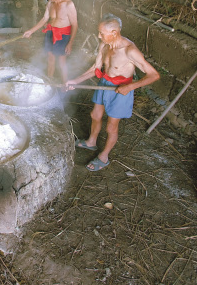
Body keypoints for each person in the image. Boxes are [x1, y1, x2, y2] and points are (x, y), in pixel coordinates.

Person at [66, 14, 160, 172]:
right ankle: (91, 141)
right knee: (95, 115)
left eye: (102, 33)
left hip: (120, 91)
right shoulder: (105, 45)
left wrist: (130, 87)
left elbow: (154, 75)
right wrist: (75, 81)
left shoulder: (130, 51)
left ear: (114, 32)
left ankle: (104, 157)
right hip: (104, 84)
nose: (98, 35)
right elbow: (94, 69)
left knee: (111, 127)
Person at [23, 0, 78, 83]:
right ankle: (49, 80)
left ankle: (65, 84)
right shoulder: (50, 3)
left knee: (61, 61)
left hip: (62, 36)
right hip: (50, 33)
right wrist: (31, 31)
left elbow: (75, 24)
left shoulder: (68, 4)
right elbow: (44, 19)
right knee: (50, 58)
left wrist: (70, 43)